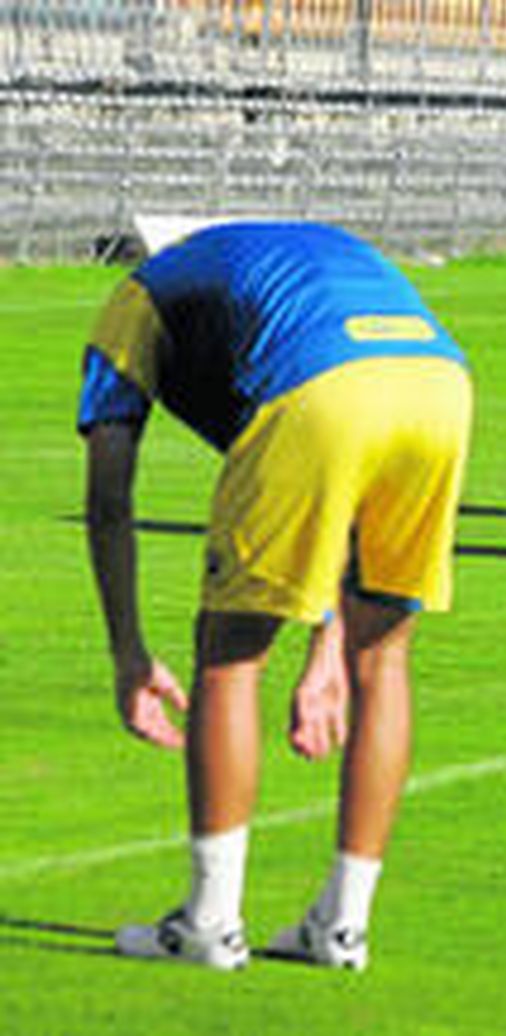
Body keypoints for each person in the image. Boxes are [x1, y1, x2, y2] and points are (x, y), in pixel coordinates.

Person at [79, 221, 474, 971]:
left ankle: (207, 922)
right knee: (383, 660)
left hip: (319, 383)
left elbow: (108, 497)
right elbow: (333, 498)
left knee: (230, 655)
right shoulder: (273, 279)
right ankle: (341, 927)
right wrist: (329, 648)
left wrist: (128, 654)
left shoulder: (130, 306)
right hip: (440, 383)